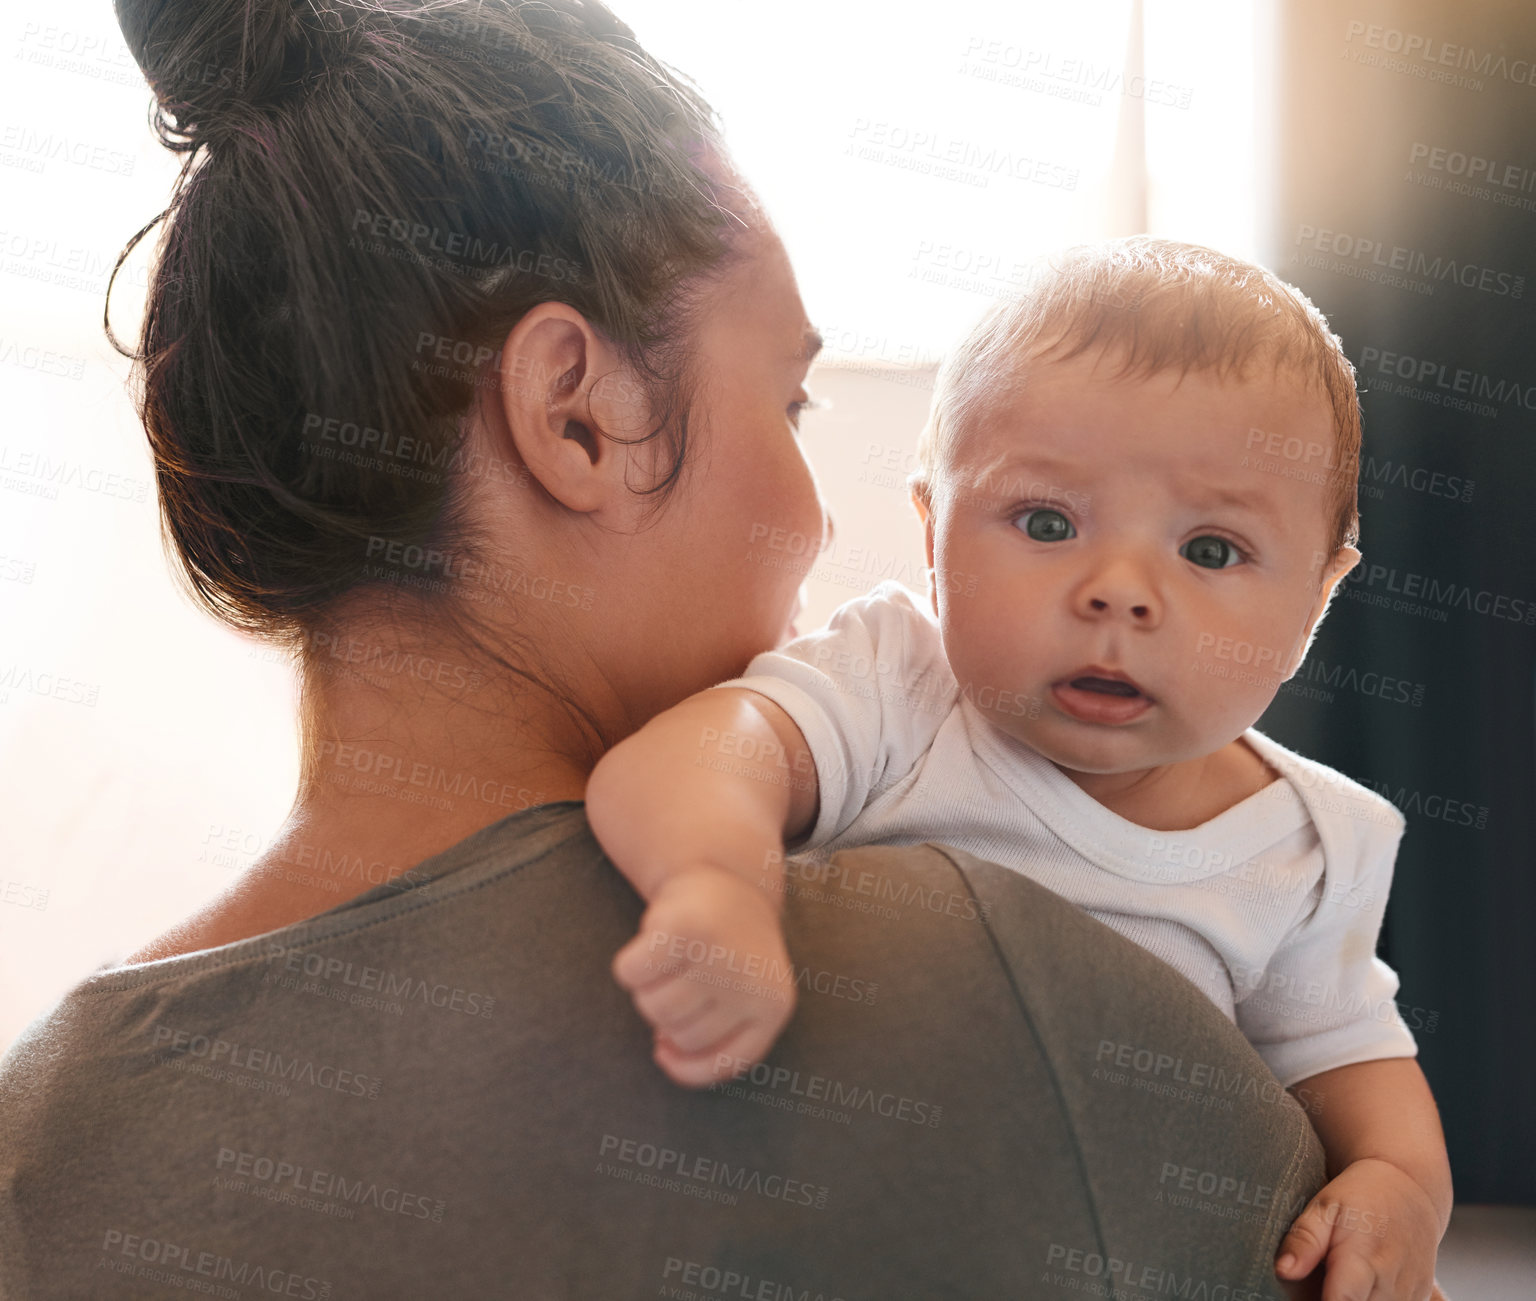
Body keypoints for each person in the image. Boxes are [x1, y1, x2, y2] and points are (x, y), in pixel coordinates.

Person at [0, 1, 1328, 1296]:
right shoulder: (1011, 986)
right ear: (578, 415)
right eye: (787, 398)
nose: (817, 521)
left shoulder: (37, 1135)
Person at [586, 239, 1454, 1300]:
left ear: (1320, 596)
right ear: (934, 538)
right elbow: (699, 751)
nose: (1119, 592)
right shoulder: (899, 688)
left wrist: (1400, 1190)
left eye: (1212, 550)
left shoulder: (1310, 845)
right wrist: (715, 879)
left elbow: (1360, 1076)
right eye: (1047, 522)